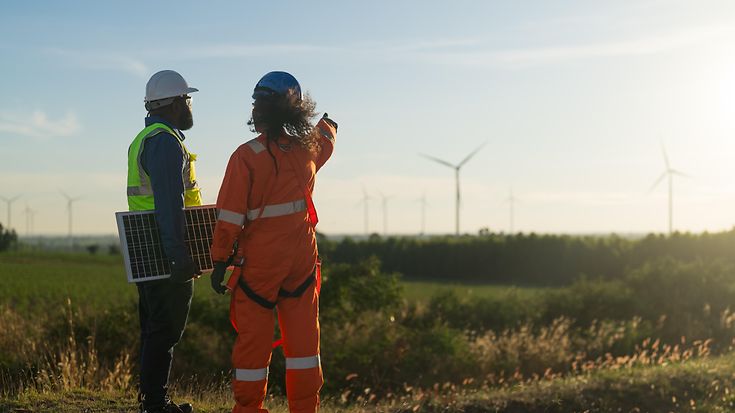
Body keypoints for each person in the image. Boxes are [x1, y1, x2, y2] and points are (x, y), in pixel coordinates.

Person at [209, 71, 337, 413]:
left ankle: (250, 408)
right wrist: (329, 125)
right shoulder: (307, 151)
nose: (254, 108)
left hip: (260, 267)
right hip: (302, 263)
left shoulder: (245, 157)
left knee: (254, 345)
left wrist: (219, 262)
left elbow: (230, 217)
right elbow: (325, 141)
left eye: (258, 102)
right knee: (305, 346)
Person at [127, 69, 203, 413]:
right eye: (187, 99)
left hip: (147, 245)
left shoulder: (149, 138)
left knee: (155, 327)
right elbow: (170, 204)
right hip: (163, 248)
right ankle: (156, 404)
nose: (189, 106)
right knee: (166, 327)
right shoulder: (164, 142)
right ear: (174, 103)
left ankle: (152, 401)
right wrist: (180, 256)